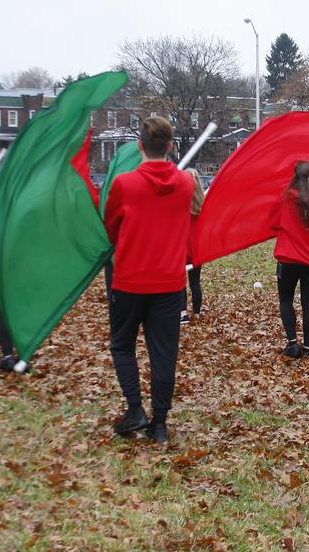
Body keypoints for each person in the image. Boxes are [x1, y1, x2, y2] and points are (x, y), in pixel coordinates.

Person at [104, 117, 194, 445]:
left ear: (139, 145)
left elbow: (111, 228)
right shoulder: (185, 183)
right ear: (170, 146)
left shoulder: (124, 185)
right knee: (164, 353)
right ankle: (159, 423)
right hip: (169, 283)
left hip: (129, 280)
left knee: (122, 345)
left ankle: (135, 409)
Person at [270, 161, 309, 359]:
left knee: (286, 300)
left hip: (289, 259)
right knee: (308, 302)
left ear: (293, 176)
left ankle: (293, 344)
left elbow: (272, 222)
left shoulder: (285, 199)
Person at [180, 168, 205, 324]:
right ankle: (197, 312)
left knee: (181, 282)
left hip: (181, 248)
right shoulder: (202, 202)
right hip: (196, 249)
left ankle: (182, 313)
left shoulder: (179, 201)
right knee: (195, 282)